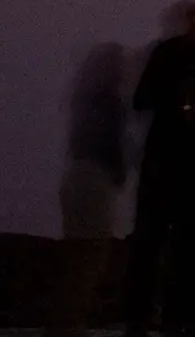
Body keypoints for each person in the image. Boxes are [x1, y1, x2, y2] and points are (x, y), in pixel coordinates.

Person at [125, 1, 195, 337]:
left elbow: (141, 101)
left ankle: (144, 317)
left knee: (153, 245)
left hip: (166, 165)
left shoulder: (170, 55)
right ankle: (174, 317)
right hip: (190, 168)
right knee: (184, 250)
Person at [48, 42, 128, 337]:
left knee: (77, 256)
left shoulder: (84, 102)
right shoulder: (109, 102)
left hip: (76, 179)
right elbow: (110, 147)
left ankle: (64, 323)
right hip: (95, 182)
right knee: (90, 256)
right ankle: (69, 325)